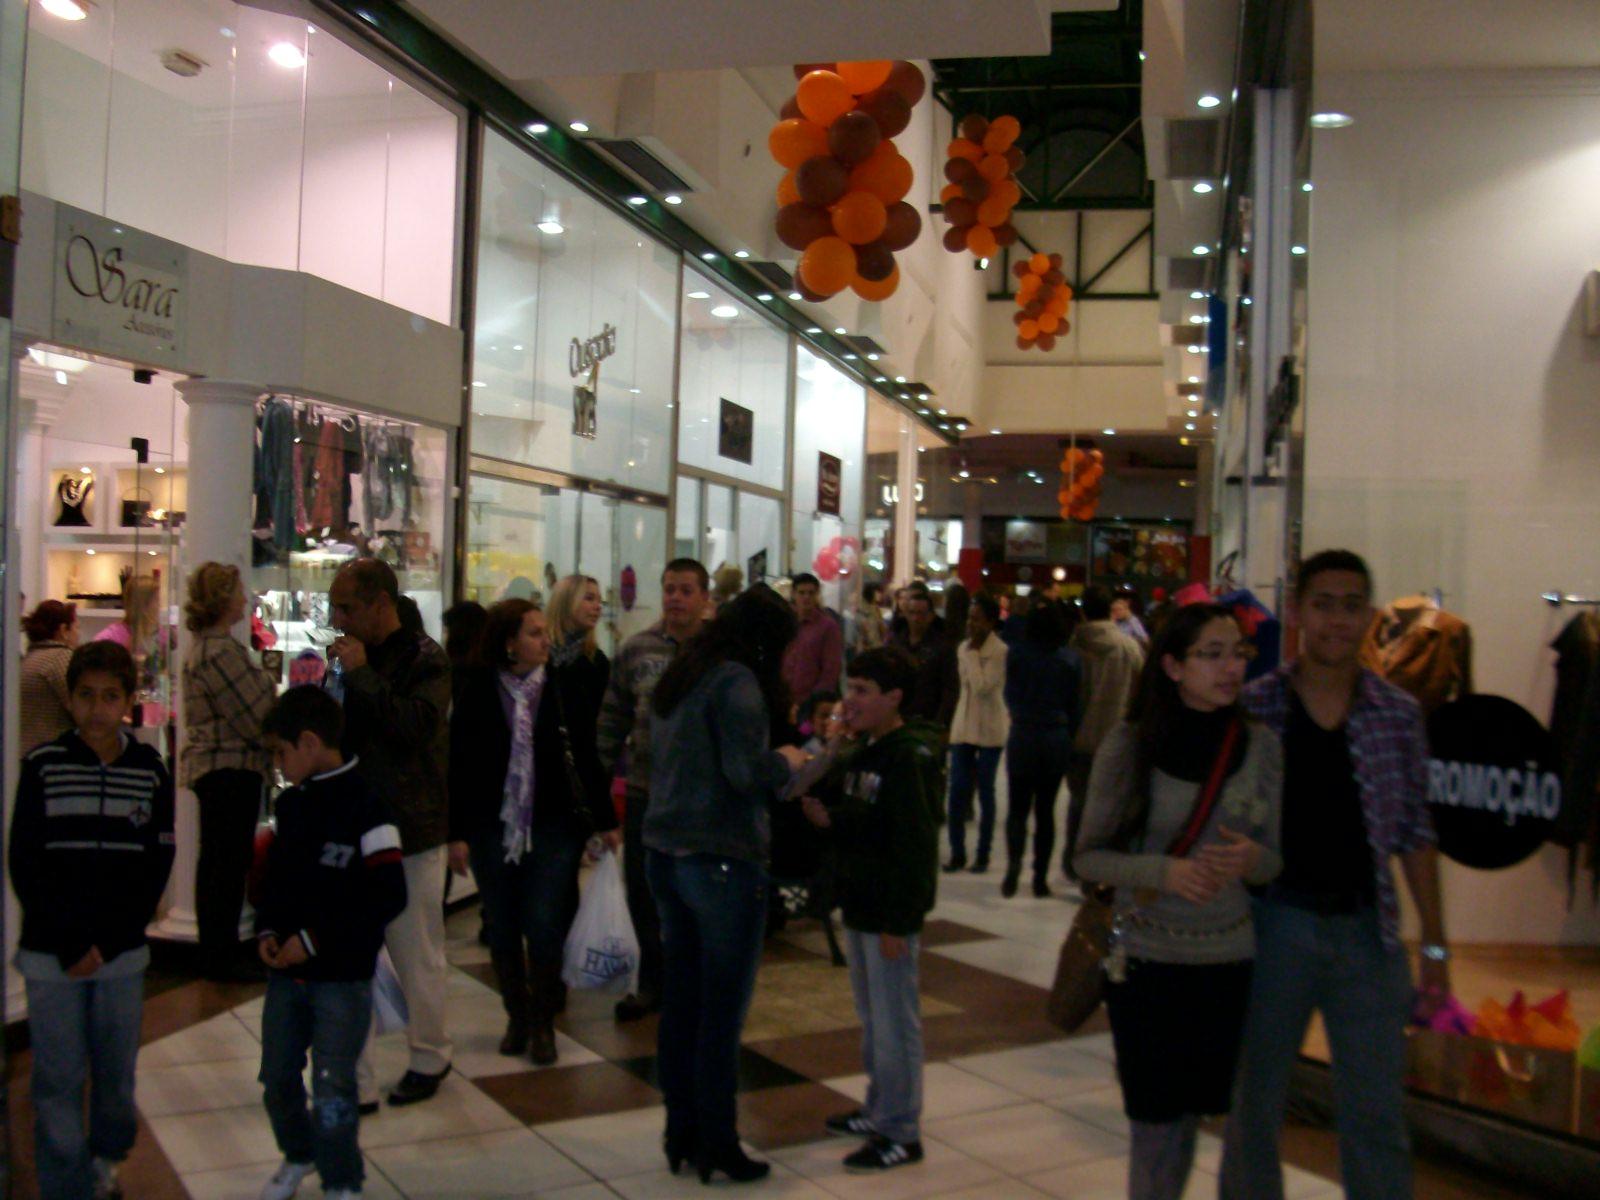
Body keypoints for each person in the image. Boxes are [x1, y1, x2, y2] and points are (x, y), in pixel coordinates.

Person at [1221, 550, 1450, 1200]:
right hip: (1272, 930)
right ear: (1297, 612)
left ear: (1371, 618)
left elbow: (1415, 834)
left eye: (1352, 606)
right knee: (1252, 1108)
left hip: (1366, 938)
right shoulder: (1257, 706)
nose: (1337, 621)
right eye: (1324, 604)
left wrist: (1435, 945)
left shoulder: (1396, 714)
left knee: (1377, 1115)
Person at [1074, 605, 1283, 1200]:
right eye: (1210, 654)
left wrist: (1251, 860)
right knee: (1155, 1126)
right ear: (1170, 665)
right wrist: (1165, 871)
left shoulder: (1261, 746)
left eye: (1237, 653)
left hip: (1227, 961)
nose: (1229, 668)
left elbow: (1275, 859)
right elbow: (1087, 858)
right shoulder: (1131, 743)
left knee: (1196, 1115)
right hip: (1148, 960)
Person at [644, 585, 807, 1184]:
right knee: (720, 1015)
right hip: (722, 860)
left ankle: (680, 1131)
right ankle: (718, 1141)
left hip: (664, 852)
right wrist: (786, 760)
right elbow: (745, 774)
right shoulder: (738, 681)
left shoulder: (684, 672)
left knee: (682, 1005)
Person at [10, 641, 175, 1200]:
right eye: (86, 696)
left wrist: (109, 940)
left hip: (122, 955)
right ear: (71, 699)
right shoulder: (42, 766)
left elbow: (156, 863)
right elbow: (25, 861)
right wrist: (69, 941)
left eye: (110, 696)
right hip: (51, 956)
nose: (98, 708)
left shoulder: (151, 770)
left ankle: (107, 1158)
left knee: (114, 1075)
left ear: (129, 701)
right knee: (56, 1077)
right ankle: (66, 1184)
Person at [448, 599, 620, 1065]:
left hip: (552, 823)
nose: (546, 640)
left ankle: (543, 1021)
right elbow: (460, 765)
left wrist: (605, 821)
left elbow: (586, 755)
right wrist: (456, 832)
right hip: (491, 825)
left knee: (544, 924)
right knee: (502, 927)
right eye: (534, 633)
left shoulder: (563, 688)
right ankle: (516, 1016)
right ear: (509, 643)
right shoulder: (478, 690)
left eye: (545, 632)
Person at [254, 687, 407, 1200]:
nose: (278, 764)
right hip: (286, 977)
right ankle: (298, 1154)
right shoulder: (292, 805)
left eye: (281, 752)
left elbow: (387, 895)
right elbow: (274, 882)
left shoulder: (369, 805)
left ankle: (342, 1179)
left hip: (342, 979)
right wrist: (270, 932)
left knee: (334, 1085)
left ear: (311, 742)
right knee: (277, 1077)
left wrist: (315, 940)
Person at [802, 646, 943, 1172]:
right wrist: (832, 818)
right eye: (849, 689)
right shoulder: (868, 750)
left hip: (888, 912)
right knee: (872, 1018)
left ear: (894, 698)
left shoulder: (909, 757)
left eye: (863, 691)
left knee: (895, 1023)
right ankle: (881, 1106)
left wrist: (901, 921)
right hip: (861, 904)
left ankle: (902, 1131)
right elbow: (867, 819)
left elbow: (914, 847)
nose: (850, 701)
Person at [326, 558, 453, 1108]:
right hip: (354, 825)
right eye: (334, 608)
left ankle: (430, 1055)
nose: (339, 619)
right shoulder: (352, 661)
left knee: (415, 951)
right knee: (349, 957)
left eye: (347, 607)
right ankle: (355, 1078)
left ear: (381, 603)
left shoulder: (427, 659)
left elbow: (413, 728)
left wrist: (360, 677)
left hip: (411, 830)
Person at [596, 558, 711, 1022]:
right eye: (669, 589)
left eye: (686, 590)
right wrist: (597, 787)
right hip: (648, 792)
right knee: (644, 892)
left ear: (704, 598)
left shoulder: (718, 654)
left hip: (702, 800)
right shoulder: (637, 648)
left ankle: (693, 984)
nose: (676, 598)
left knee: (695, 895)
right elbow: (611, 720)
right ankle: (651, 982)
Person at [180, 562, 278, 982]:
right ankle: (218, 957)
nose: (245, 599)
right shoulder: (218, 653)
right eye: (238, 592)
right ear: (223, 599)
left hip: (226, 769)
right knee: (224, 864)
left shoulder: (210, 649)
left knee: (221, 862)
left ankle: (216, 952)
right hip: (228, 769)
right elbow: (255, 713)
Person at [1063, 585, 1146, 877]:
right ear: (1111, 611)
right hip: (1117, 739)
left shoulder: (1074, 647)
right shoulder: (1129, 647)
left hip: (1080, 740)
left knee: (1078, 801)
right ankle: (1097, 865)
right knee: (1110, 808)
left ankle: (1073, 861)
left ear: (1083, 611)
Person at [1002, 600, 1082, 898]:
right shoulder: (1070, 660)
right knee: (1046, 811)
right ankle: (1039, 877)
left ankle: (1013, 867)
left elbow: (1009, 694)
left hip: (1023, 733)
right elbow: (1076, 707)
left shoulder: (1017, 655)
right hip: (1055, 737)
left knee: (1017, 808)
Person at [943, 593, 1008, 874]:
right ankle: (957, 852)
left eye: (977, 619)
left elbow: (983, 687)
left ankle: (983, 853)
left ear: (991, 622)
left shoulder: (1000, 651)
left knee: (986, 792)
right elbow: (965, 687)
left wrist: (971, 656)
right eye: (970, 618)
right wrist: (968, 654)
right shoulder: (962, 649)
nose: (971, 624)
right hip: (963, 727)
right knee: (957, 791)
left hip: (991, 729)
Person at [890, 585, 959, 730]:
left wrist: (940, 723)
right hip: (898, 718)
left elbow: (950, 689)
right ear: (905, 614)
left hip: (928, 720)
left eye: (921, 613)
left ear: (930, 616)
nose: (916, 618)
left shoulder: (942, 646)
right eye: (912, 613)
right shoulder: (896, 643)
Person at [547, 573, 611, 718]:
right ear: (566, 601)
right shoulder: (540, 654)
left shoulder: (596, 661)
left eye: (599, 601)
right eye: (589, 598)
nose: (598, 607)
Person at [20, 599, 79, 754]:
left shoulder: (30, 657)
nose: (78, 634)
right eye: (76, 628)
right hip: (54, 752)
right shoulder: (61, 658)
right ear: (63, 630)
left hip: (26, 751)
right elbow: (79, 707)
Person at [782, 572, 844, 713]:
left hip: (810, 705)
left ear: (817, 595)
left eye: (811, 593)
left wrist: (815, 703)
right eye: (801, 593)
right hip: (786, 702)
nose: (806, 597)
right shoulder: (786, 623)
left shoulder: (828, 627)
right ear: (793, 594)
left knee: (805, 733)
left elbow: (831, 669)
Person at [850, 582, 888, 659]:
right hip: (868, 650)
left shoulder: (876, 609)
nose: (880, 595)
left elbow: (882, 630)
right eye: (877, 592)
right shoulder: (864, 610)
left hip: (877, 649)